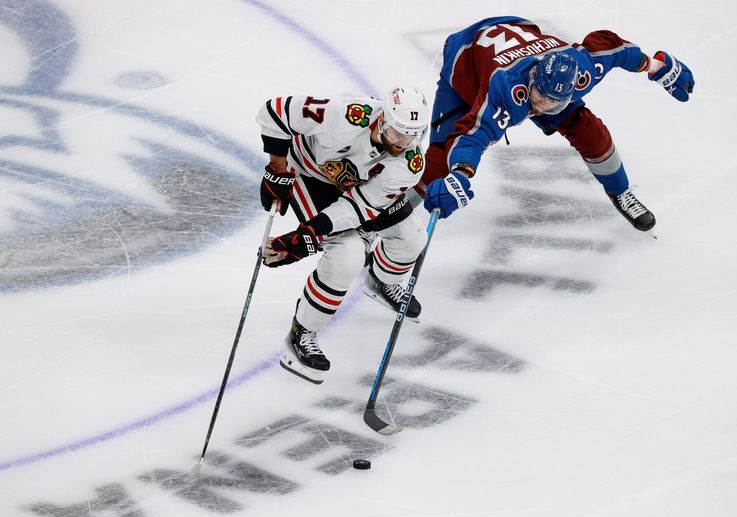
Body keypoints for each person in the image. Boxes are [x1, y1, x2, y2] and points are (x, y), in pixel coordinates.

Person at [415, 16, 695, 230]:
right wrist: (461, 174)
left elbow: (614, 50)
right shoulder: (506, 88)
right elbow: (474, 135)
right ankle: (389, 212)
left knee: (589, 131)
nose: (544, 107)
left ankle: (620, 192)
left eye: (556, 102)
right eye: (540, 97)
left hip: (521, 31)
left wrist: (655, 66)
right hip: (467, 62)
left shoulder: (581, 70)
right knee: (440, 161)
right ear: (533, 76)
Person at [256, 87, 430, 384]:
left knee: (413, 237)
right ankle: (302, 333)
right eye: (398, 132)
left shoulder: (410, 162)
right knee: (347, 257)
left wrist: (309, 233)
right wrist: (277, 167)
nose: (403, 143)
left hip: (356, 192)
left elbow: (360, 206)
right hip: (309, 175)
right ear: (382, 120)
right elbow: (275, 112)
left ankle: (381, 281)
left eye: (412, 135)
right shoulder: (345, 114)